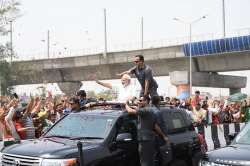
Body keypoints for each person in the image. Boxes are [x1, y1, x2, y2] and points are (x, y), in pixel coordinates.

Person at [125, 97, 168, 166]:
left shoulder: (146, 110)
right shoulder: (149, 110)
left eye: (141, 101)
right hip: (148, 139)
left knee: (145, 162)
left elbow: (130, 111)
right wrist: (164, 136)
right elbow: (155, 126)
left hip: (145, 140)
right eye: (139, 100)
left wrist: (126, 104)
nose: (139, 102)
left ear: (146, 101)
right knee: (149, 161)